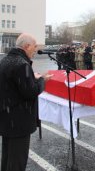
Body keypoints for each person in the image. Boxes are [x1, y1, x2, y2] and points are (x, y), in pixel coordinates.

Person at [0, 33, 52, 171]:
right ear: (26, 46)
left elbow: (15, 85)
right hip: (19, 121)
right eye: (34, 47)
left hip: (7, 117)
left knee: (7, 157)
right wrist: (41, 80)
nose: (35, 50)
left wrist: (31, 78)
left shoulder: (6, 60)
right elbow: (30, 92)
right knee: (17, 160)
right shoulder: (22, 64)